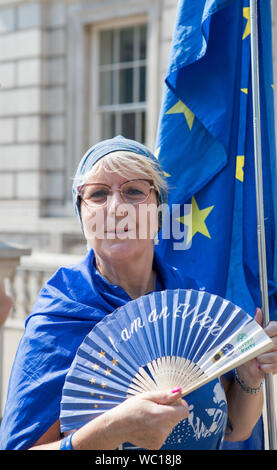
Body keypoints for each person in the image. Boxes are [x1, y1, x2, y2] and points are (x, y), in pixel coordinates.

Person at [0, 136, 276, 451]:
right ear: (82, 215)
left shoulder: (187, 299)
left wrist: (248, 379)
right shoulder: (61, 315)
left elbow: (234, 428)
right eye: (99, 194)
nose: (117, 209)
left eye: (133, 191)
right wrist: (112, 429)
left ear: (158, 211)